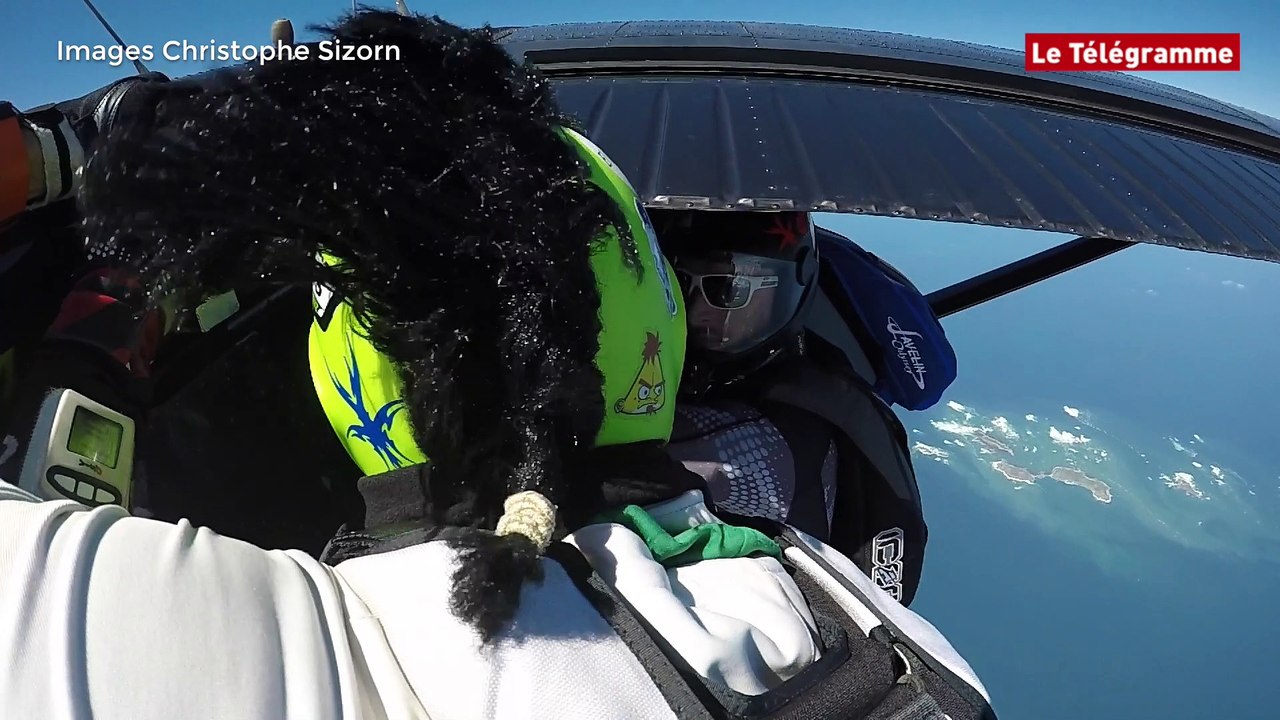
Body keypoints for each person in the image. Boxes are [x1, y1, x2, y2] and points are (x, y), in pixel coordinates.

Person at [0, 11, 993, 719]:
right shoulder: (830, 590)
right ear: (643, 307)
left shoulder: (263, 636)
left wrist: (73, 154)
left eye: (727, 298)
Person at [654, 209, 930, 606]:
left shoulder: (766, 438)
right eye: (679, 282)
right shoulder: (809, 376)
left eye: (729, 289)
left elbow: (628, 470)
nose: (697, 313)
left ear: (787, 293)